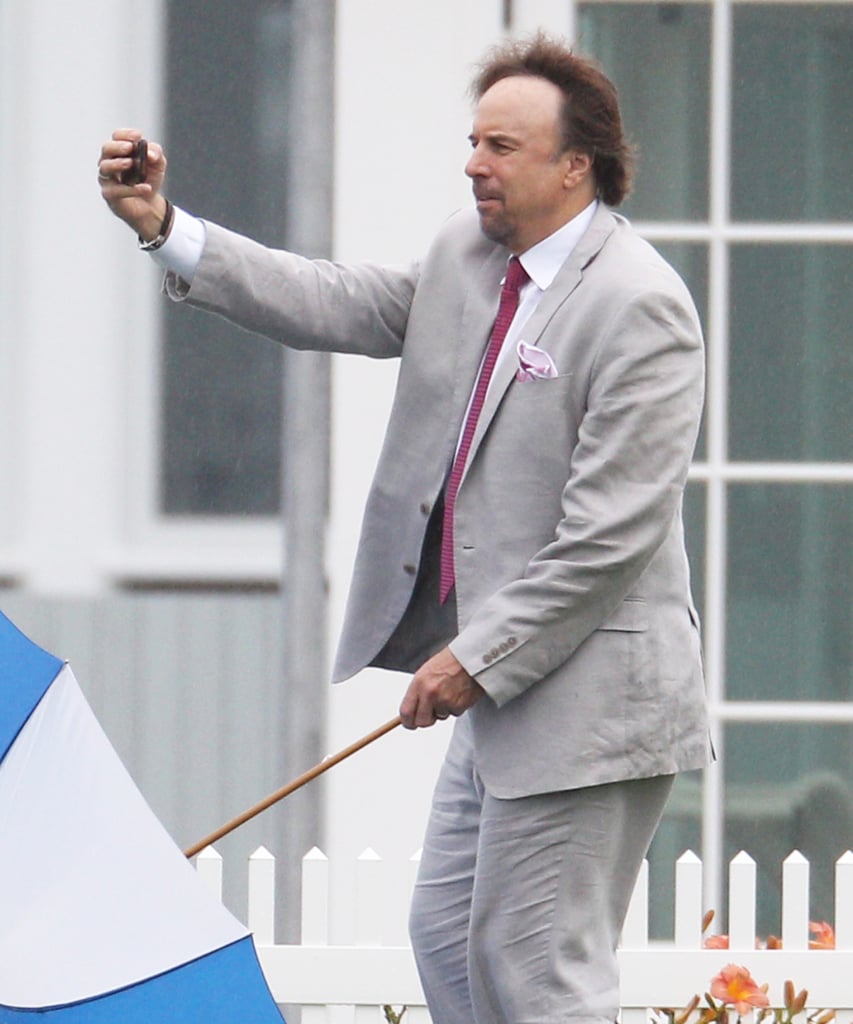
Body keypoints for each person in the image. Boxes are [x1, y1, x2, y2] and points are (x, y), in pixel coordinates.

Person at [99, 33, 712, 1024]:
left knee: (540, 975)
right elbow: (335, 301)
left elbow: (606, 540)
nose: (474, 163)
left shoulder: (640, 306)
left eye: (502, 147)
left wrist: (473, 658)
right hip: (509, 697)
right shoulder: (471, 260)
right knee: (446, 941)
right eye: (474, 141)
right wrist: (167, 227)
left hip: (592, 703)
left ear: (576, 165)